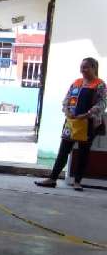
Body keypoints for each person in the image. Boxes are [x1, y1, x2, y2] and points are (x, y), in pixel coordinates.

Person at [36, 57, 106, 191]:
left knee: (83, 153)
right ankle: (52, 179)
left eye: (86, 67)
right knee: (63, 151)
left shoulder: (99, 84)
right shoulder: (76, 82)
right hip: (71, 123)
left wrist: (88, 114)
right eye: (81, 67)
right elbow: (67, 98)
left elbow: (102, 103)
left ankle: (77, 182)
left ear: (93, 68)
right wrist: (67, 110)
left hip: (88, 123)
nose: (82, 70)